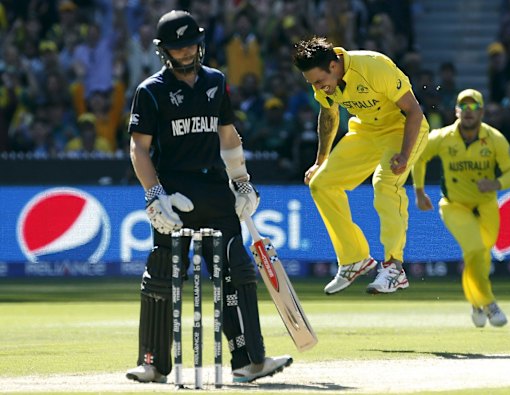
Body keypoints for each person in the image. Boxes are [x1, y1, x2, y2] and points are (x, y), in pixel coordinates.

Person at [125, 10, 292, 384]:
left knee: (237, 271)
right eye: (177, 47)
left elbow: (229, 137)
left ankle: (249, 361)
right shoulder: (150, 91)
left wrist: (243, 183)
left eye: (189, 45)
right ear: (164, 50)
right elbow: (139, 148)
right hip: (174, 196)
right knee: (163, 276)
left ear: (199, 44)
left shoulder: (216, 82)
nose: (185, 53)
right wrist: (154, 196)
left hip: (216, 192)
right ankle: (152, 364)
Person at [292, 36, 429, 295]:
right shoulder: (323, 81)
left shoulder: (373, 67)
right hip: (367, 131)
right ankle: (354, 259)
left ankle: (394, 268)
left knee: (385, 182)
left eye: (319, 82)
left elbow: (414, 111)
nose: (318, 88)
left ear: (333, 66)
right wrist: (320, 161)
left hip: (404, 130)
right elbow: (329, 114)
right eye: (312, 84)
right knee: (322, 184)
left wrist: (404, 153)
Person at [412, 89, 510, 327]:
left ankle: (475, 302)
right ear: (456, 111)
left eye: (474, 108)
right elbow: (419, 157)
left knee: (482, 257)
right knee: (473, 250)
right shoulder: (443, 137)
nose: (469, 112)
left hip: (486, 204)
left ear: (481, 111)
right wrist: (419, 191)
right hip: (454, 205)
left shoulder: (494, 139)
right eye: (464, 107)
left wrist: (496, 183)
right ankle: (490, 304)